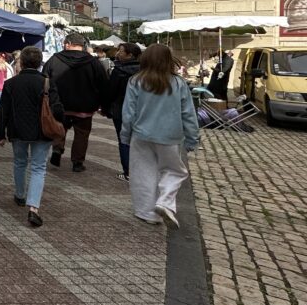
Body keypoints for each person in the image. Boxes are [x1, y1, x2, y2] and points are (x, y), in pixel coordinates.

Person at [120, 43, 199, 228]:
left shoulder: (135, 81)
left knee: (143, 173)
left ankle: (147, 212)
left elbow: (128, 113)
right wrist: (192, 137)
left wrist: (125, 136)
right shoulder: (178, 83)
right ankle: (165, 202)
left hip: (141, 135)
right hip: (170, 135)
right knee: (174, 170)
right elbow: (188, 113)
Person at [0, 46, 64, 227]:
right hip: (43, 131)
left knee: (19, 162)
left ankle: (19, 195)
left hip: (17, 130)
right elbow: (57, 108)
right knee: (38, 167)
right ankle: (33, 207)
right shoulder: (47, 82)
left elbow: (2, 110)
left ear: (22, 62)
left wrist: (0, 134)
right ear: (40, 62)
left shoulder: (11, 83)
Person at [42, 32, 109, 173]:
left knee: (59, 129)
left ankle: (57, 149)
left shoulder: (54, 60)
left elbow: (44, 80)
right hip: (85, 106)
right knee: (82, 135)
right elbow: (103, 84)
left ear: (67, 44)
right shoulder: (93, 62)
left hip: (60, 104)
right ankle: (77, 162)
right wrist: (105, 105)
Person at [101, 42, 143, 182]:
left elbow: (110, 92)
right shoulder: (143, 71)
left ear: (130, 55)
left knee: (124, 140)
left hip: (120, 111)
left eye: (121, 51)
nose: (118, 53)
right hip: (140, 111)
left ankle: (128, 172)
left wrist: (106, 109)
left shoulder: (119, 71)